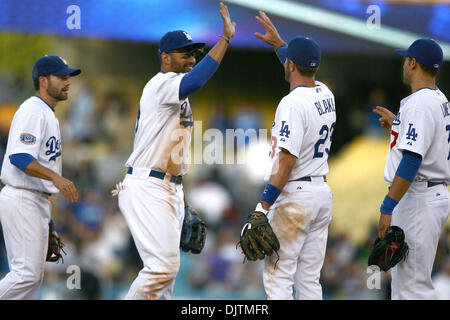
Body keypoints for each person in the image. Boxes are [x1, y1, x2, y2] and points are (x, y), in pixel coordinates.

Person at [114, 2, 236, 300]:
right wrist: (225, 40)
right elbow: (196, 80)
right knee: (162, 269)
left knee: (165, 282)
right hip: (147, 186)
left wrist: (182, 196)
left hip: (167, 187)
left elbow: (173, 154)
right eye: (186, 54)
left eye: (194, 53)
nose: (192, 59)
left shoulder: (176, 93)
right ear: (165, 58)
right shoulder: (162, 84)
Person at [253, 11, 336, 299]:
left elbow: (286, 160)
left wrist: (262, 206)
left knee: (278, 277)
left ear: (290, 64)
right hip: (321, 194)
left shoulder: (291, 103)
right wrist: (281, 46)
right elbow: (299, 69)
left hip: (295, 197)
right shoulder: (326, 92)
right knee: (309, 281)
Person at [373, 38, 449, 299]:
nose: (404, 64)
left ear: (413, 63)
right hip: (429, 194)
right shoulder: (438, 99)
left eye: (406, 59)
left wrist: (387, 207)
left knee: (412, 289)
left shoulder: (420, 104)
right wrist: (399, 125)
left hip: (418, 197)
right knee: (407, 285)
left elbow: (412, 160)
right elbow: (429, 141)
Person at [0, 55, 80, 299]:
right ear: (43, 80)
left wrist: (48, 216)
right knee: (26, 275)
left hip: (34, 199)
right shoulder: (33, 111)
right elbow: (20, 157)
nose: (67, 82)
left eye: (69, 77)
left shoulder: (47, 113)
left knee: (32, 279)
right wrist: (57, 179)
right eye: (61, 77)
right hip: (23, 196)